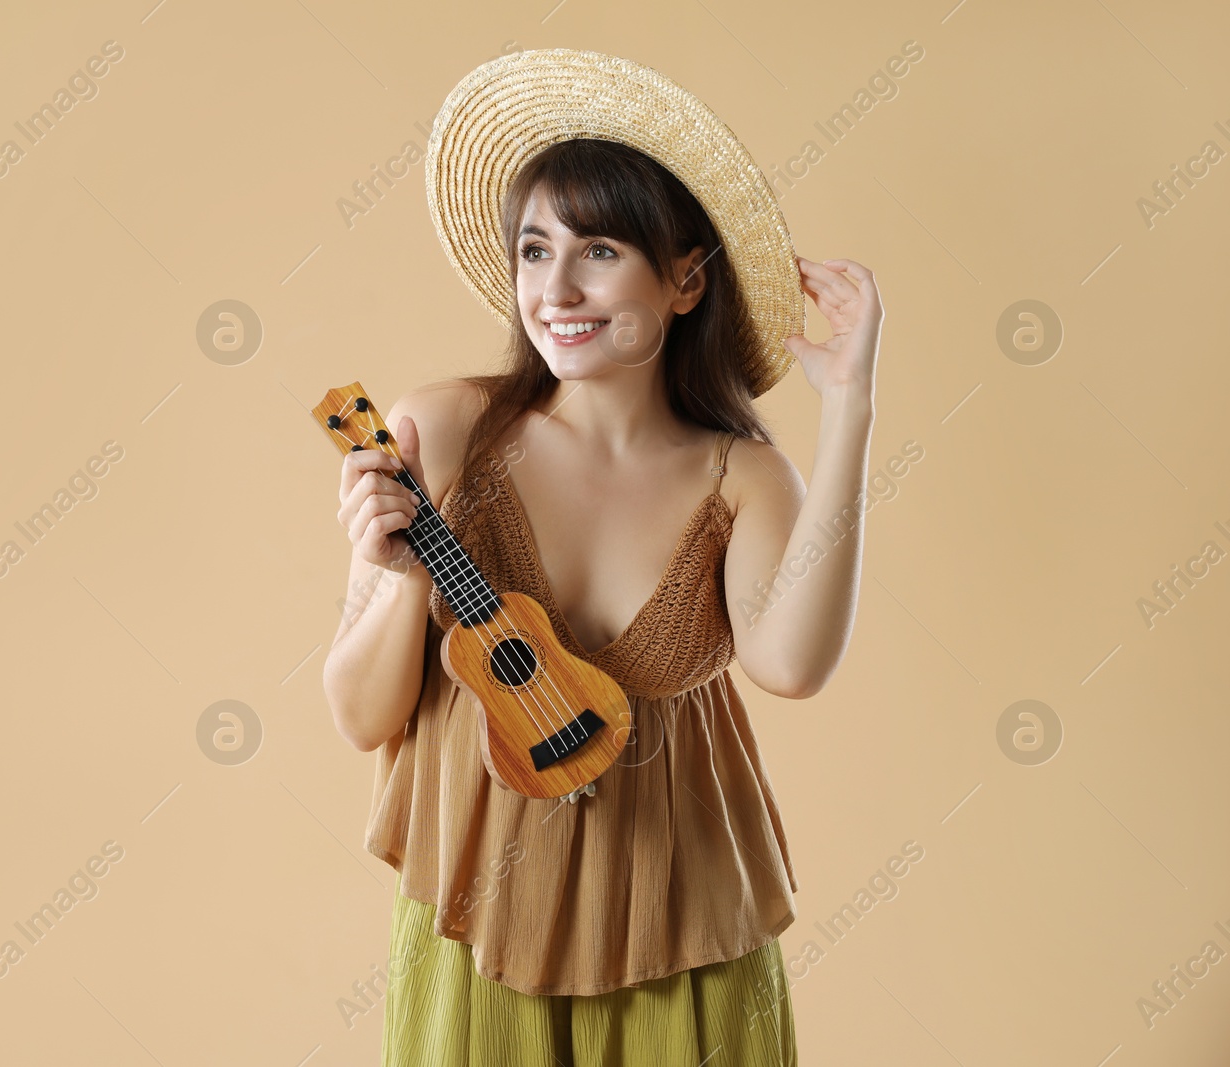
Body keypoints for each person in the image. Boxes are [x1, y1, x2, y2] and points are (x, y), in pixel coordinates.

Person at [323, 49, 881, 1066]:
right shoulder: (438, 432)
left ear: (683, 279)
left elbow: (792, 665)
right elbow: (362, 713)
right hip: (477, 927)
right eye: (535, 252)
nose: (557, 290)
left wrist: (848, 406)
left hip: (686, 926)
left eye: (600, 250)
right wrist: (401, 578)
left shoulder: (741, 478)